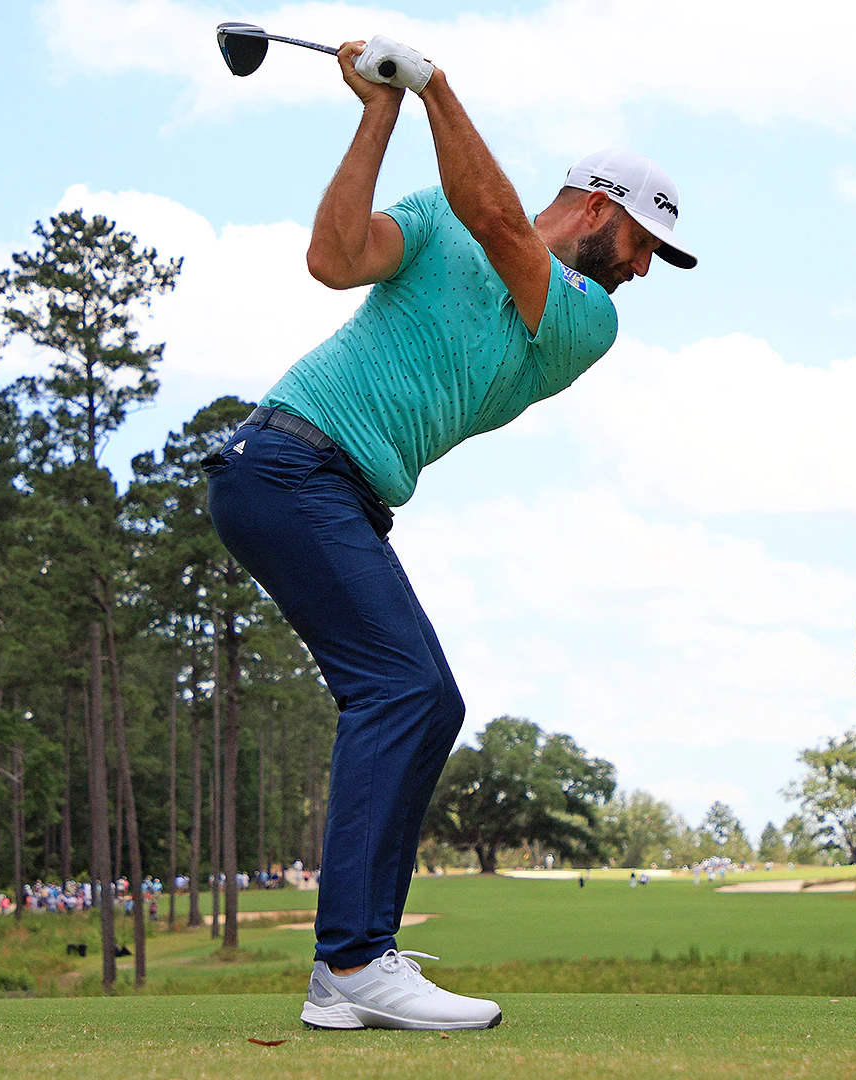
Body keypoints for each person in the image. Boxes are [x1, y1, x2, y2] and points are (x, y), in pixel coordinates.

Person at [205, 33, 692, 1033]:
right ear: (599, 207)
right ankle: (350, 962)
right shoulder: (441, 220)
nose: (646, 269)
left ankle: (353, 965)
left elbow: (498, 223)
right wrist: (381, 111)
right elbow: (333, 259)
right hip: (289, 465)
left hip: (321, 485)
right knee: (404, 689)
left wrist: (428, 88)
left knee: (425, 699)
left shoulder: (583, 318)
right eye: (645, 242)